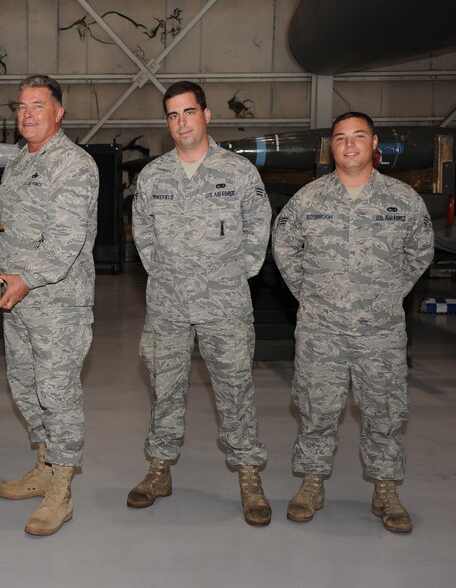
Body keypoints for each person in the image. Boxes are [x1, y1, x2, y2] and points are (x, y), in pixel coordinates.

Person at [272, 111, 434, 533]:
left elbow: (420, 250)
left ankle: (386, 490)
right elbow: (284, 244)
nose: (349, 144)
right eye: (340, 137)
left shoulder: (402, 199)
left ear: (373, 143)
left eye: (358, 136)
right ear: (332, 147)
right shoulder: (308, 199)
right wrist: (309, 294)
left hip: (379, 332)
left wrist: (387, 294)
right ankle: (311, 484)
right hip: (320, 330)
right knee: (315, 409)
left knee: (384, 412)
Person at [130, 81, 273, 526]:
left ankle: (249, 476)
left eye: (189, 112)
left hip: (225, 304)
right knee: (164, 390)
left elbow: (258, 229)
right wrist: (169, 275)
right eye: (173, 115)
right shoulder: (153, 176)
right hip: (168, 305)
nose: (181, 122)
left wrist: (233, 274)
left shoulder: (239, 173)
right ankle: (159, 470)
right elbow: (144, 236)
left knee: (235, 392)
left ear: (206, 115)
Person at [0, 75, 99, 536]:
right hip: (15, 301)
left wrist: (25, 278)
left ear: (59, 113)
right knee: (26, 388)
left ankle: (62, 488)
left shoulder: (73, 164)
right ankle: (43, 465)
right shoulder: (19, 161)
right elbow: (17, 226)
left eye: (38, 106)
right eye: (21, 106)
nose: (27, 114)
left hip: (56, 303)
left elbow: (65, 241)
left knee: (58, 394)